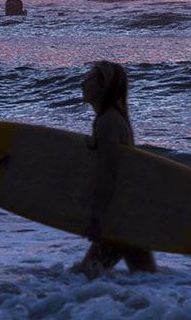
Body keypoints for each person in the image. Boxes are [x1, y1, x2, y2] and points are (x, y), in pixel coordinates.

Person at [74, 61, 157, 279]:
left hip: (120, 216)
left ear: (103, 87)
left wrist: (97, 217)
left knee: (85, 277)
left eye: (89, 78)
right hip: (129, 214)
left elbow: (109, 173)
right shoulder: (111, 118)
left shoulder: (108, 122)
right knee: (146, 278)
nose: (82, 83)